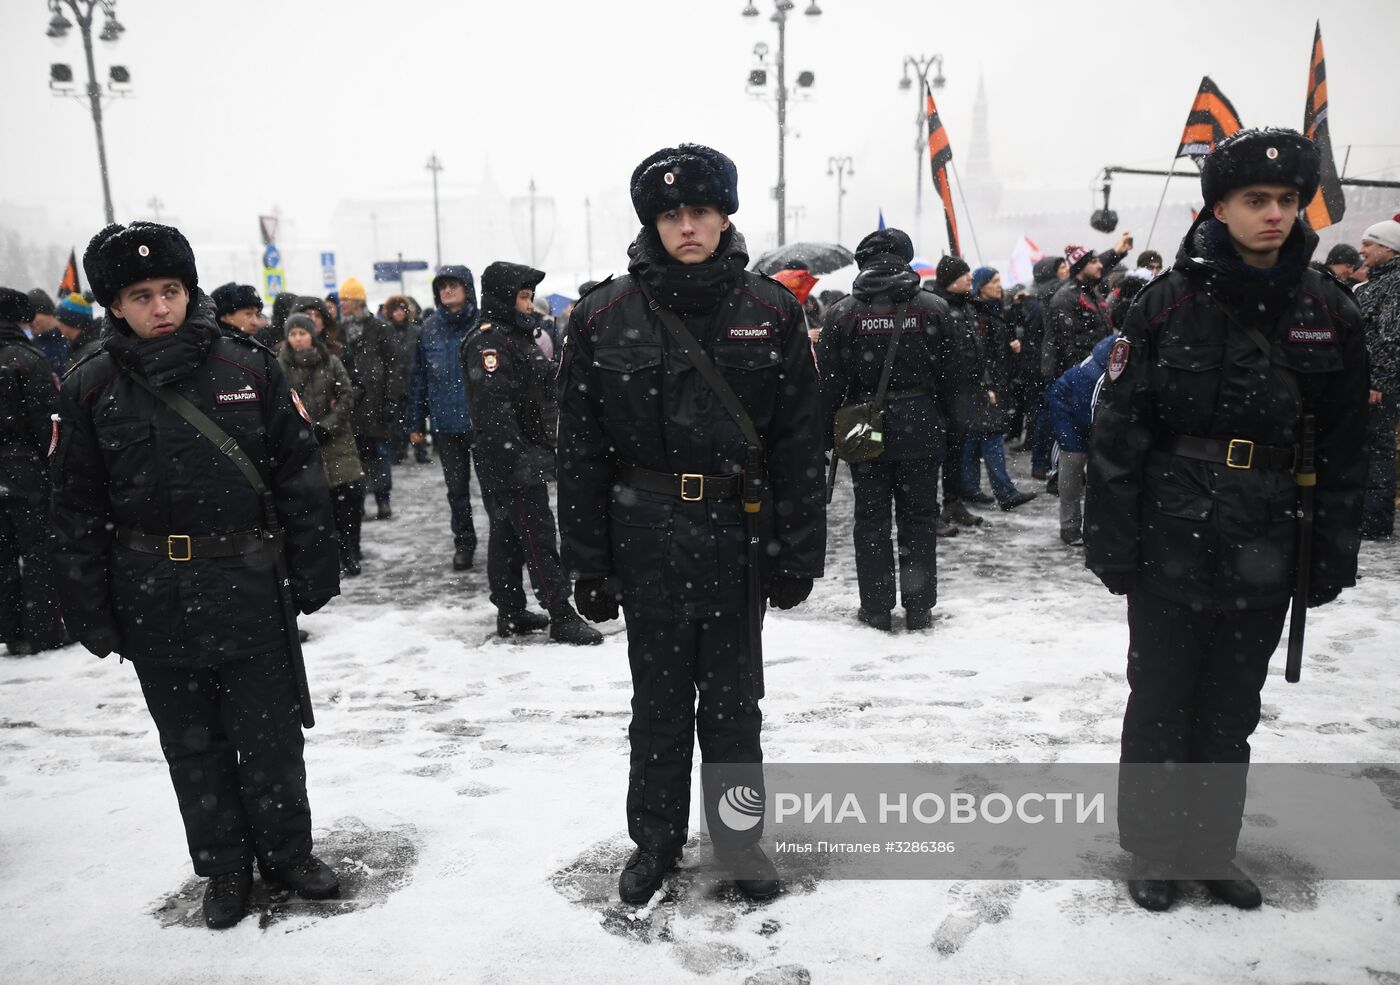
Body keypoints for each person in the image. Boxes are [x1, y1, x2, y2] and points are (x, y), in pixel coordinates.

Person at [1084, 129, 1368, 913]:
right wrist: (1112, 539)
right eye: (1255, 200)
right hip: (1172, 530)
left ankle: (1211, 848)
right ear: (1220, 206)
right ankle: (1152, 846)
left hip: (1269, 533)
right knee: (1162, 698)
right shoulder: (1166, 302)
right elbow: (1120, 432)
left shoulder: (1330, 311)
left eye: (1286, 200)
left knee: (1231, 705)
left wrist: (1331, 550)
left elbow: (1346, 447)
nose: (1274, 214)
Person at [51, 221, 343, 929]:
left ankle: (286, 851)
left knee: (270, 731)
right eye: (141, 294)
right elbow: (74, 507)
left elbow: (300, 473)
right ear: (115, 305)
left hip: (246, 579)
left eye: (171, 290)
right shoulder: (89, 386)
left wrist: (314, 566)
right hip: (152, 591)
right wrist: (90, 607)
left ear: (190, 291)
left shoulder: (248, 368)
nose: (160, 306)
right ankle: (225, 866)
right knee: (191, 740)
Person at [557, 144, 824, 906]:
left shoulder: (771, 309)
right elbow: (579, 448)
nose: (687, 226)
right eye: (671, 214)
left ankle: (740, 845)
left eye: (700, 211)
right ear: (653, 223)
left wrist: (797, 549)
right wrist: (589, 560)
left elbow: (801, 444)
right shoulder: (604, 315)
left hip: (739, 539)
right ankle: (656, 840)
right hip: (645, 540)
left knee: (736, 708)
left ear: (725, 216)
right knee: (659, 706)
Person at [817, 227, 954, 632]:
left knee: (871, 519)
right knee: (919, 518)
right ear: (905, 259)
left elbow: (827, 384)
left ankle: (876, 607)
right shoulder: (934, 308)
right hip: (921, 422)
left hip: (865, 427)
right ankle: (918, 606)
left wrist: (826, 436)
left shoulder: (842, 313)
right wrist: (947, 423)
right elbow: (954, 374)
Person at [462, 262, 601, 645]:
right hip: (510, 456)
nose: (529, 305)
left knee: (507, 534)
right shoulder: (490, 342)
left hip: (518, 452)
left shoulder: (513, 336)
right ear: (503, 298)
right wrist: (516, 460)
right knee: (537, 533)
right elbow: (494, 410)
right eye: (523, 297)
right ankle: (560, 612)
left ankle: (510, 610)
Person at [0, 287, 64, 655]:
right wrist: (54, 467)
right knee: (38, 551)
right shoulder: (26, 358)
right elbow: (46, 424)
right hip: (23, 470)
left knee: (4, 554)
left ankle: (10, 629)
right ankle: (43, 631)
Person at [279, 313, 364, 575]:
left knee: (347, 499)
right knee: (317, 504)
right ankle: (330, 555)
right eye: (293, 334)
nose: (298, 338)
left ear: (311, 335)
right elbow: (281, 404)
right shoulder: (280, 366)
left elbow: (347, 396)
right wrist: (302, 429)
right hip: (303, 443)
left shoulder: (331, 361)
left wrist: (326, 426)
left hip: (337, 442)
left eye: (302, 333)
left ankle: (350, 550)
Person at [410, 266, 480, 570]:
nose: (447, 291)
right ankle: (464, 543)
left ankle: (507, 543)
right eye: (442, 287)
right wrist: (415, 423)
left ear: (467, 289)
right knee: (457, 491)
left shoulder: (482, 324)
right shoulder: (429, 329)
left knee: (493, 490)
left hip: (482, 423)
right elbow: (419, 380)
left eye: (454, 285)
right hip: (446, 424)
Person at [964, 267, 1036, 511]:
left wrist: (1010, 348)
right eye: (993, 281)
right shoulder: (978, 314)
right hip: (987, 386)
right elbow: (979, 354)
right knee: (991, 436)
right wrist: (986, 385)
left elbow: (993, 351)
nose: (999, 285)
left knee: (974, 438)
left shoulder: (992, 311)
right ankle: (1005, 493)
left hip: (993, 384)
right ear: (981, 285)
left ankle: (970, 489)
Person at [338, 276, 405, 520]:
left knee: (380, 454)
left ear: (358, 301)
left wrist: (390, 400)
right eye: (342, 299)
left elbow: (393, 367)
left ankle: (383, 500)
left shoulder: (379, 329)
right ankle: (360, 502)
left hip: (376, 405)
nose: (342, 303)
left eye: (346, 299)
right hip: (352, 405)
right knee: (356, 457)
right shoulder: (341, 331)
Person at [1355, 212, 1400, 539]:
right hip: (1368, 382)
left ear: (1389, 249)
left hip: (1380, 387)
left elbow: (1390, 337)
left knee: (1378, 449)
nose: (1363, 250)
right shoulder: (1376, 283)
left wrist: (1378, 382)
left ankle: (1374, 520)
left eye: (1369, 243)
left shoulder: (1395, 284)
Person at [1047, 334, 1114, 545]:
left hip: (1085, 404)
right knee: (1073, 461)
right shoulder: (1103, 367)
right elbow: (1091, 411)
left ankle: (1095, 526)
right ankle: (1070, 526)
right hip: (1068, 406)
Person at [1045, 231, 1132, 380]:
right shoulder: (1065, 298)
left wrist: (1117, 252)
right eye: (1094, 262)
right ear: (1080, 267)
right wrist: (1084, 375)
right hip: (1082, 375)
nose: (1100, 265)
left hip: (1099, 370)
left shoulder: (1092, 294)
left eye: (1099, 261)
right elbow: (1066, 347)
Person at [382, 295, 425, 465]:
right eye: (395, 310)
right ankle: (397, 452)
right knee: (396, 423)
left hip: (413, 381)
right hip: (395, 384)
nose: (399, 313)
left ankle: (420, 451)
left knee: (416, 419)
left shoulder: (416, 331)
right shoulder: (386, 332)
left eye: (401, 310)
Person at [25, 289, 70, 377]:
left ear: (46, 312)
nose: (28, 322)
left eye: (31, 316)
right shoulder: (31, 346)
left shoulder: (72, 337)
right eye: (25, 318)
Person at [55, 292, 102, 371]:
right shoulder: (81, 346)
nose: (58, 325)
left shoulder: (89, 353)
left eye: (60, 321)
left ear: (71, 322)